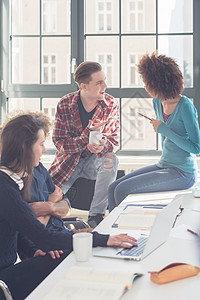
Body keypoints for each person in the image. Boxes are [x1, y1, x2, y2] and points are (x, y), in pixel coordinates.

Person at [0, 112, 136, 300]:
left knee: (72, 261)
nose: (44, 150)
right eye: (40, 144)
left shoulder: (12, 181)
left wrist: (34, 250)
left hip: (7, 273)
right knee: (72, 263)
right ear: (24, 147)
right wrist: (103, 239)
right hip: (3, 282)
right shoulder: (5, 188)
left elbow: (18, 229)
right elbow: (41, 235)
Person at [108, 52, 200, 212]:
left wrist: (164, 129)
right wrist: (162, 128)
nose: (145, 86)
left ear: (157, 82)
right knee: (113, 188)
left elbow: (196, 148)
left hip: (183, 172)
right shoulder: (157, 102)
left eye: (146, 82)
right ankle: (109, 236)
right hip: (164, 164)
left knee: (122, 190)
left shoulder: (185, 107)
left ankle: (118, 232)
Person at [49, 61, 120, 228]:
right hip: (68, 163)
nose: (105, 86)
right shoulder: (65, 104)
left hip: (94, 163)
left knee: (111, 159)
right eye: (99, 83)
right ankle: (55, 221)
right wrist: (85, 140)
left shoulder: (110, 104)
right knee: (49, 197)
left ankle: (96, 215)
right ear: (84, 86)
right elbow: (59, 143)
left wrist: (102, 146)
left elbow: (114, 141)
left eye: (105, 80)